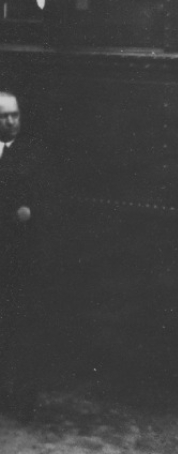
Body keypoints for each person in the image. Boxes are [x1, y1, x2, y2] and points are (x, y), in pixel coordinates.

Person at [0, 90, 50, 422]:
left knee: (22, 329)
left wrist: (25, 211)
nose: (11, 121)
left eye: (15, 114)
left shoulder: (35, 154)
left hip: (20, 258)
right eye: (4, 116)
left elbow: (44, 206)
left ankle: (22, 400)